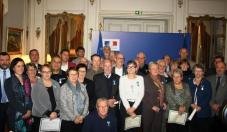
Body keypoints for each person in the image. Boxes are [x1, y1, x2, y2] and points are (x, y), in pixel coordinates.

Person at [5, 58, 32, 132]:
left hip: (28, 112)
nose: (21, 68)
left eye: (22, 66)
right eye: (18, 66)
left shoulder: (26, 79)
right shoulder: (8, 81)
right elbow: (12, 100)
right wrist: (24, 111)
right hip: (15, 113)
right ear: (13, 68)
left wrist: (29, 110)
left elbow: (29, 96)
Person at [93, 59, 121, 131]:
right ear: (102, 66)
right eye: (105, 66)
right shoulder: (96, 77)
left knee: (113, 127)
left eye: (109, 66)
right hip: (101, 108)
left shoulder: (117, 77)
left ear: (112, 67)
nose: (107, 68)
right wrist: (106, 102)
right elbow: (95, 93)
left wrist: (115, 101)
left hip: (113, 108)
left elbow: (120, 92)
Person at [31, 64, 60, 132]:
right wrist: (48, 113)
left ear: (51, 73)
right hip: (40, 116)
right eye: (44, 72)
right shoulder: (36, 85)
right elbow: (36, 102)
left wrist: (56, 112)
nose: (47, 74)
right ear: (41, 73)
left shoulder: (56, 84)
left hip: (55, 115)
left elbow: (59, 100)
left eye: (49, 71)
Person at [60, 67, 89, 132]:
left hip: (81, 119)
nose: (74, 76)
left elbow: (86, 100)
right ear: (67, 76)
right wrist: (74, 118)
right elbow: (63, 105)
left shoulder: (82, 86)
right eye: (71, 74)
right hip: (68, 120)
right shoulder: (64, 88)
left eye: (75, 74)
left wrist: (82, 116)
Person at [119, 60, 144, 132]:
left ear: (136, 68)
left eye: (132, 67)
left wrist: (133, 108)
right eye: (128, 67)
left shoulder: (140, 78)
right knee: (126, 127)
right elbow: (122, 95)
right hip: (125, 106)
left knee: (136, 128)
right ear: (126, 69)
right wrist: (128, 109)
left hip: (137, 105)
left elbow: (141, 94)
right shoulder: (122, 78)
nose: (130, 68)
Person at [143, 62, 167, 132]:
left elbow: (164, 92)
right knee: (148, 128)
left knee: (157, 128)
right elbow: (143, 95)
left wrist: (164, 102)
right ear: (149, 70)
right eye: (153, 68)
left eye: (157, 68)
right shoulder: (145, 79)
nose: (155, 70)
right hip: (148, 109)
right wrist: (151, 106)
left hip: (160, 108)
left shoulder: (162, 78)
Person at [188, 64, 212, 132]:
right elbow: (187, 95)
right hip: (192, 110)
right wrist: (191, 104)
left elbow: (208, 97)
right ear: (193, 71)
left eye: (200, 71)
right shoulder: (190, 82)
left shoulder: (207, 83)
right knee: (192, 129)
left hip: (203, 112)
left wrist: (200, 107)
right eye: (196, 71)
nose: (198, 73)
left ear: (203, 72)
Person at [207, 61, 227, 132]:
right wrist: (212, 104)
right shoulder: (208, 79)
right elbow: (204, 95)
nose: (219, 69)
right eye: (217, 67)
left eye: (222, 67)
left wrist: (220, 106)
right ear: (215, 68)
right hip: (208, 112)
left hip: (222, 113)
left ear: (225, 68)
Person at [0, 52, 11, 132]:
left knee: (11, 127)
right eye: (2, 60)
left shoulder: (14, 72)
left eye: (7, 60)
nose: (4, 62)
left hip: (11, 105)